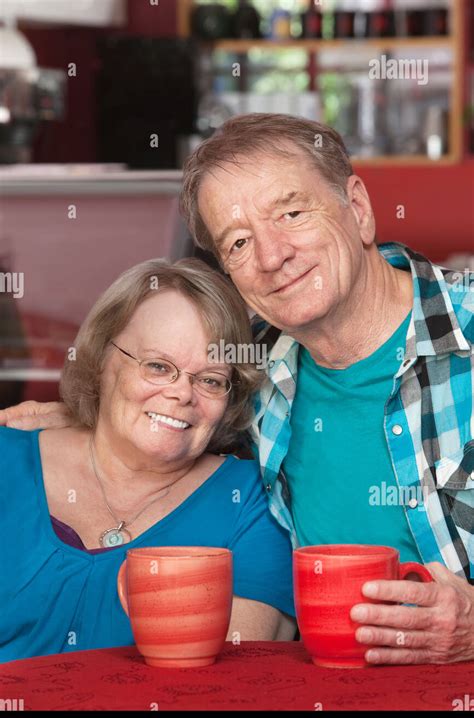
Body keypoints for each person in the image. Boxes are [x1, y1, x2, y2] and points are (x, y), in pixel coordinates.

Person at [3, 114, 474, 665]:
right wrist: (84, 413)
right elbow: (168, 393)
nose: (273, 256)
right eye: (240, 242)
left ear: (359, 209)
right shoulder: (248, 371)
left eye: (292, 213)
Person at [0, 257, 296, 663]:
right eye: (158, 367)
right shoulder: (8, 459)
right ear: (102, 359)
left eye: (210, 380)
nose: (181, 394)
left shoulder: (252, 501)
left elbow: (234, 688)